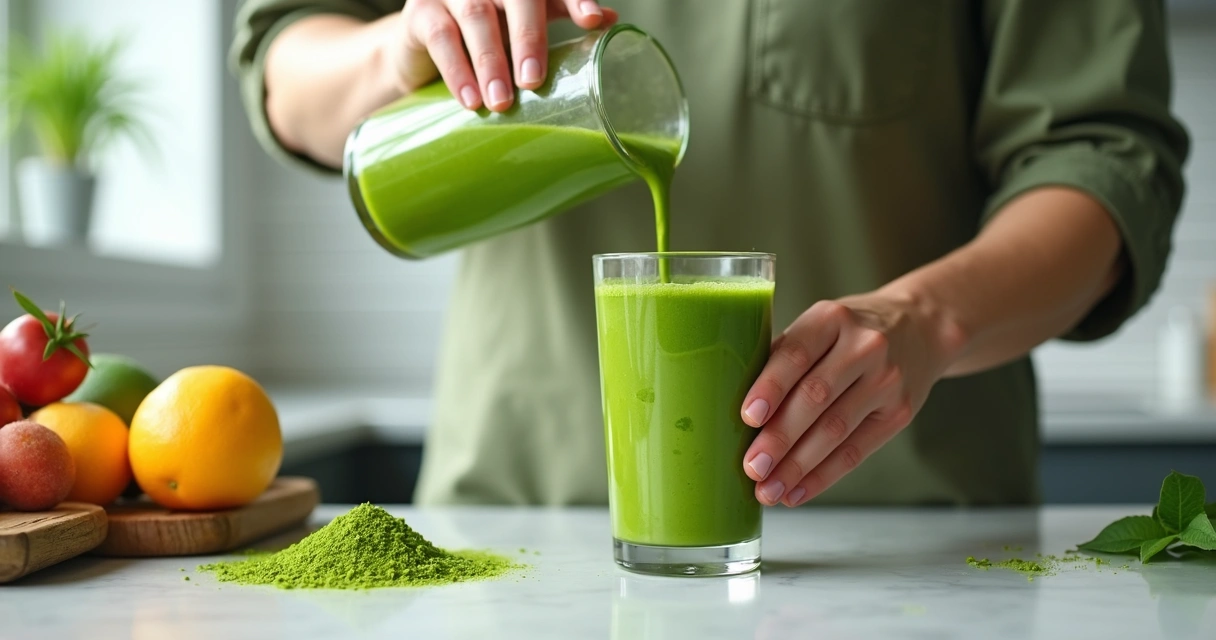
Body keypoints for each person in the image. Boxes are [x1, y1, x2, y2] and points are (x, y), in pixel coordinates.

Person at [232, 0, 1188, 507]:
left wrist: (928, 322)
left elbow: (1107, 160)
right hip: (520, 517)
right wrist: (397, 51)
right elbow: (283, 67)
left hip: (906, 533)